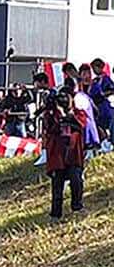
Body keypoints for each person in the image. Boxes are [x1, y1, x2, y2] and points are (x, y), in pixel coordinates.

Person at [42, 87, 86, 220]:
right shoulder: (52, 114)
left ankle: (77, 206)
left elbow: (81, 125)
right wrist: (56, 112)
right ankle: (56, 213)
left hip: (74, 153)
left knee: (76, 181)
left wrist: (68, 115)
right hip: (57, 154)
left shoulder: (79, 113)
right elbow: (49, 128)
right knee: (57, 185)